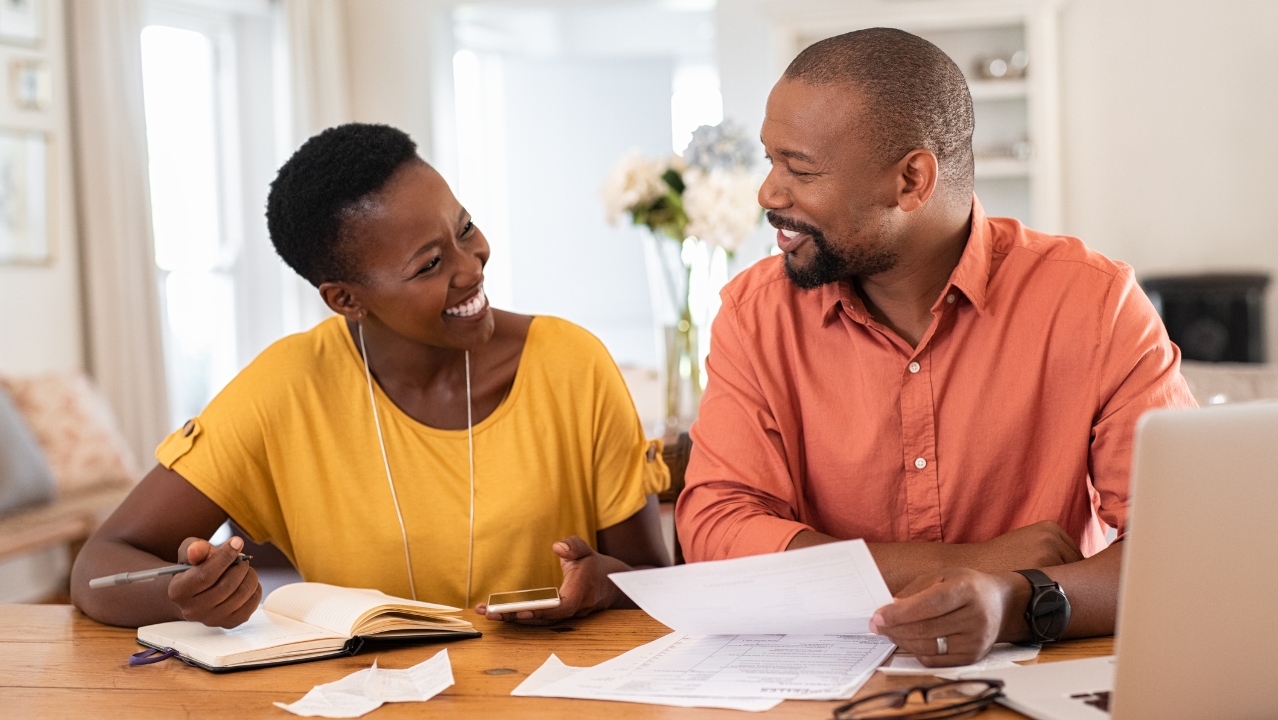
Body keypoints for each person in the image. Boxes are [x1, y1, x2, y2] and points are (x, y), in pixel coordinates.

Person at [675, 28, 1196, 667]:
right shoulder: (755, 315)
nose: (769, 194)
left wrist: (1014, 599)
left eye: (800, 169)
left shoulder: (1093, 303)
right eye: (770, 160)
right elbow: (716, 529)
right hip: (815, 685)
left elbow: (1182, 545)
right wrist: (962, 564)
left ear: (913, 180)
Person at [71, 123, 670, 629]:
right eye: (430, 264)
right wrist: (187, 599)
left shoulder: (572, 364)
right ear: (346, 300)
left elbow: (652, 581)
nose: (472, 266)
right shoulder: (286, 388)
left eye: (464, 228)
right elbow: (99, 565)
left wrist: (601, 585)